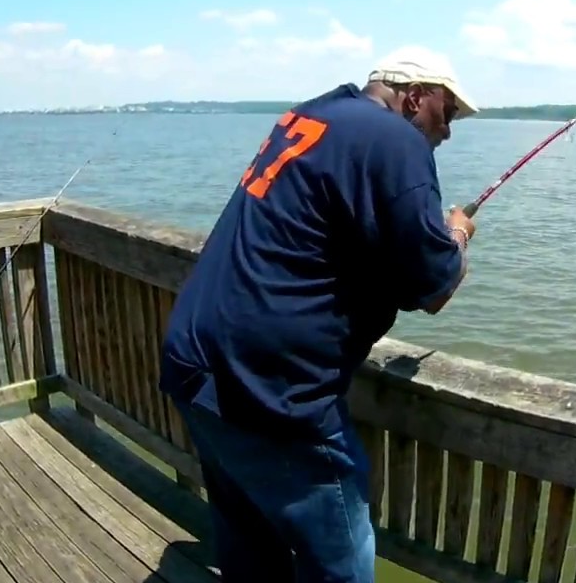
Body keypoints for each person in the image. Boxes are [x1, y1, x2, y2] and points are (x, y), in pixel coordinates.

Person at [159, 45, 480, 582]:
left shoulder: (313, 113)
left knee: (249, 544)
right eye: (446, 114)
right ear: (415, 98)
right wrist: (458, 235)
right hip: (272, 392)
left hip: (197, 364)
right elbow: (434, 286)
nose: (447, 131)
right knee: (342, 564)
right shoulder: (397, 141)